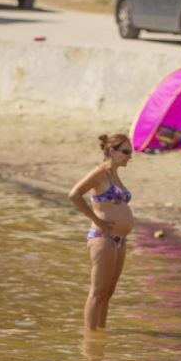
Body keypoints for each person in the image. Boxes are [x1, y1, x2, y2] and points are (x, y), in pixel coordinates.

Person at [68, 134, 135, 331]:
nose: (129, 156)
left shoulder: (115, 174)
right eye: (125, 152)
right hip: (102, 238)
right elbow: (74, 194)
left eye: (130, 152)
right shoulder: (100, 173)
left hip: (119, 238)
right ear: (111, 151)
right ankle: (91, 343)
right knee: (97, 292)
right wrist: (95, 220)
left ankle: (101, 332)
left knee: (109, 292)